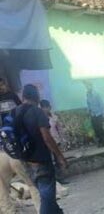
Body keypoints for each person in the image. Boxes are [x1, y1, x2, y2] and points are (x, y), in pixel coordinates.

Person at [20, 84, 67, 214]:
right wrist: (60, 157)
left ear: (23, 96)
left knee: (45, 194)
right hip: (41, 160)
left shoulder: (15, 112)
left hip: (25, 161)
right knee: (47, 196)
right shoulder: (37, 111)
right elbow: (47, 137)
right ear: (37, 96)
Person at [40, 100, 68, 185]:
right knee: (49, 162)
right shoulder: (40, 119)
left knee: (57, 160)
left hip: (56, 141)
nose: (46, 109)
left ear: (49, 107)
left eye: (47, 107)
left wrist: (63, 140)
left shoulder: (54, 117)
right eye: (44, 108)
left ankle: (60, 178)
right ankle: (53, 179)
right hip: (46, 143)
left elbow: (60, 129)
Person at [83, 81, 104, 147]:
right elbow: (88, 104)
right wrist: (88, 111)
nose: (87, 87)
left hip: (99, 114)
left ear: (91, 86)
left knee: (99, 128)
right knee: (95, 128)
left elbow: (102, 104)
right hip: (93, 114)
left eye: (88, 86)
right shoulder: (87, 95)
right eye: (86, 86)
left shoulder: (96, 94)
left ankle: (103, 141)